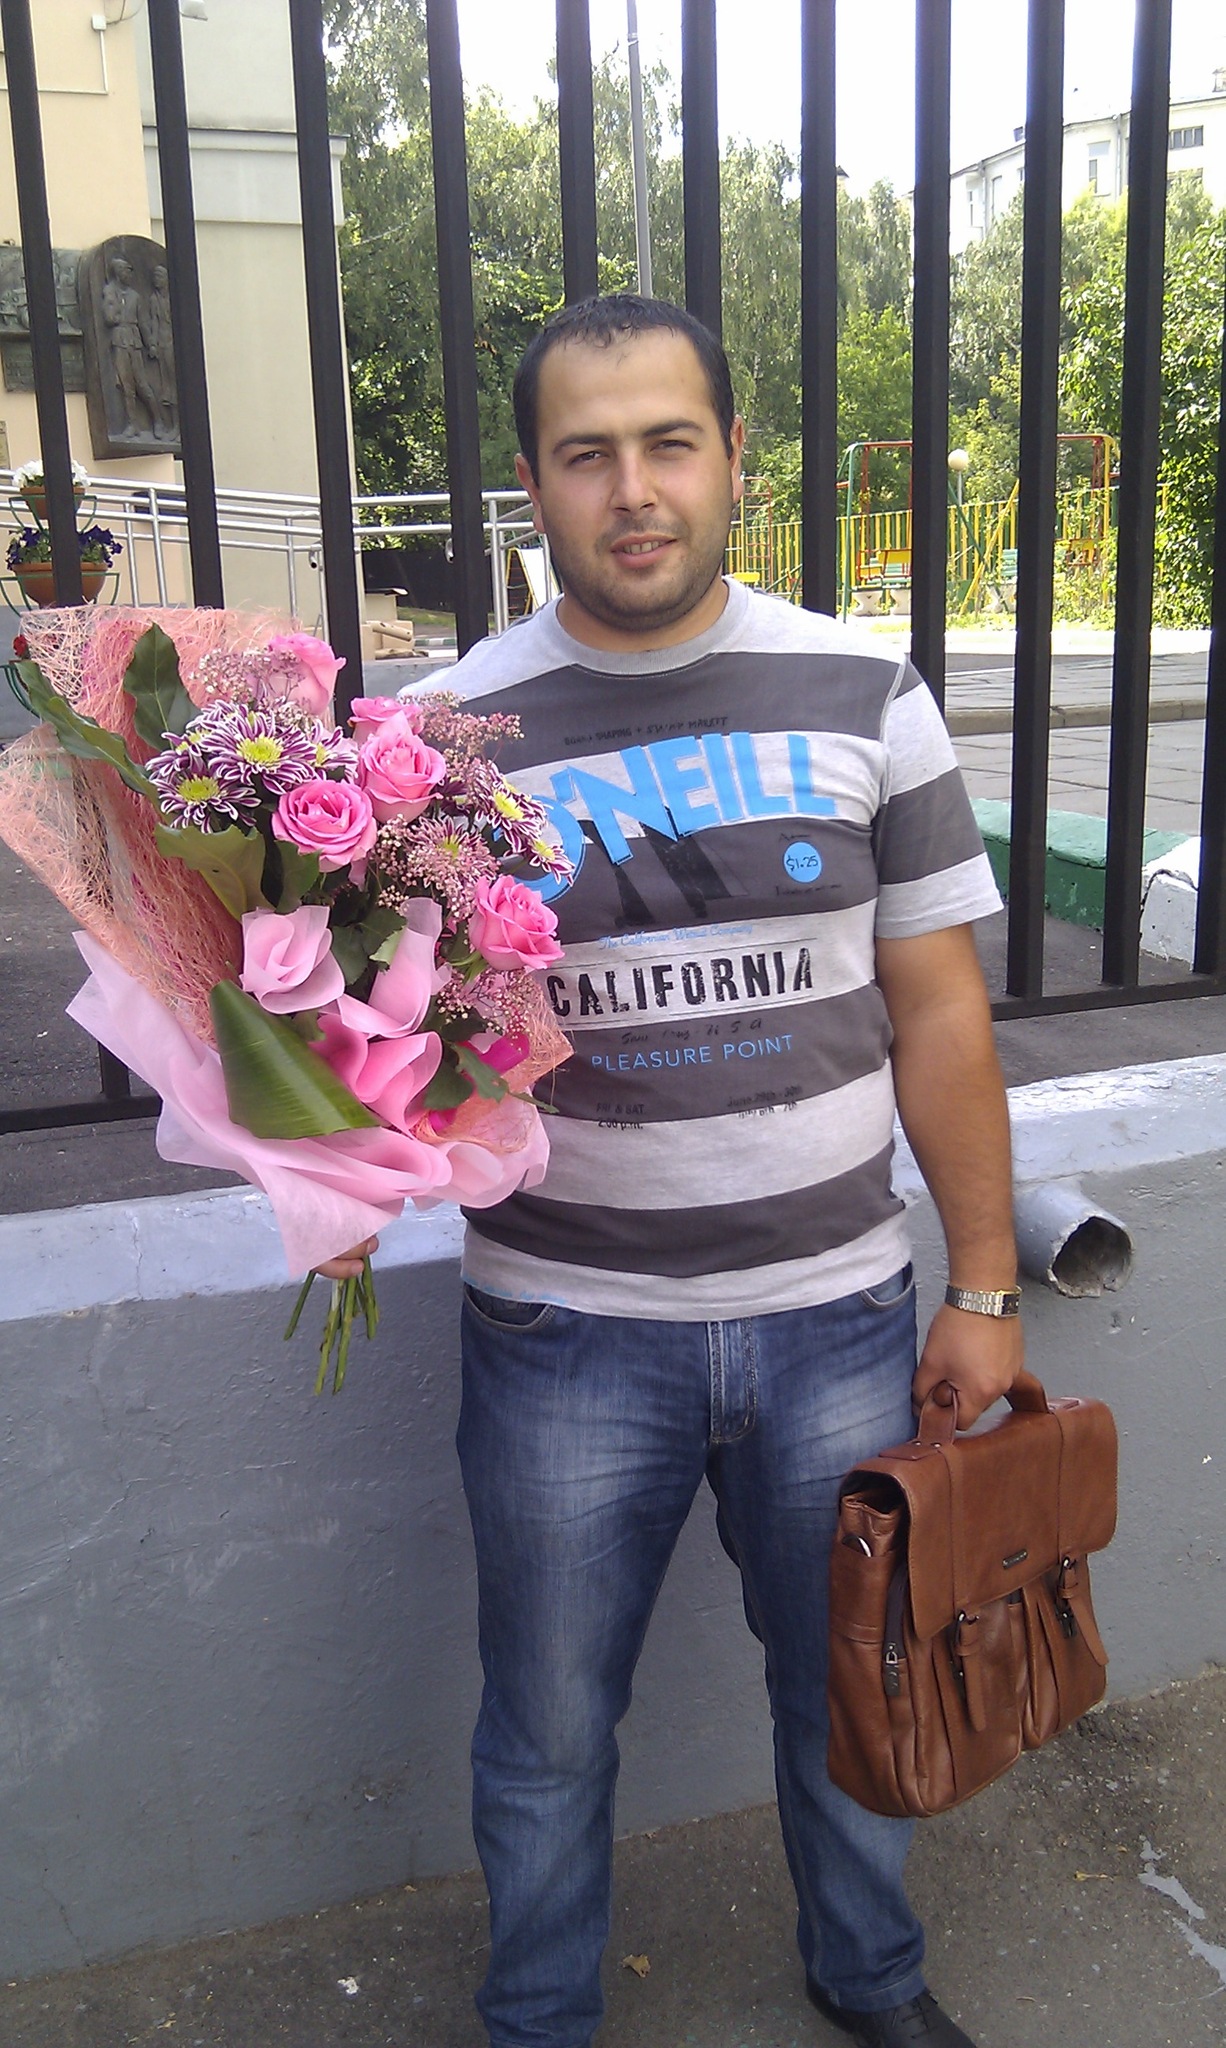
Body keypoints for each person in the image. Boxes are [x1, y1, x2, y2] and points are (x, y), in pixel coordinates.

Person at [323, 294, 1022, 2048]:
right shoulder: (438, 738)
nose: (631, 488)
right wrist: (329, 1149)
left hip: (838, 1320)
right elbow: (377, 1035)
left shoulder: (865, 690)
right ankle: (537, 2019)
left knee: (851, 1686)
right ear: (533, 485)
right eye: (586, 454)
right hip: (562, 1329)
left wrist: (984, 1288)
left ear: (729, 459)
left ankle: (869, 1977)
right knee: (548, 1729)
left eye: (667, 443)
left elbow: (939, 1012)